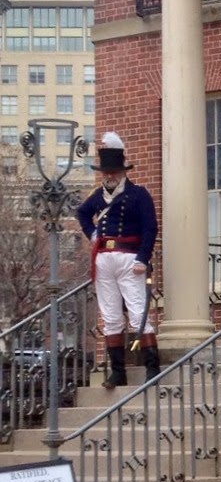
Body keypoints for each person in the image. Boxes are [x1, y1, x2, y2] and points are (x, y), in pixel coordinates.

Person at [76, 132, 159, 389]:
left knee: (137, 313)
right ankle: (117, 372)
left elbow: (150, 228)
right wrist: (92, 234)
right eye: (106, 172)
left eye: (113, 171)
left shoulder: (138, 194)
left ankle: (152, 368)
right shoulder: (98, 196)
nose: (109, 176)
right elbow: (82, 212)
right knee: (111, 316)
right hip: (103, 260)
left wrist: (143, 258)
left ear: (123, 171)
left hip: (129, 259)